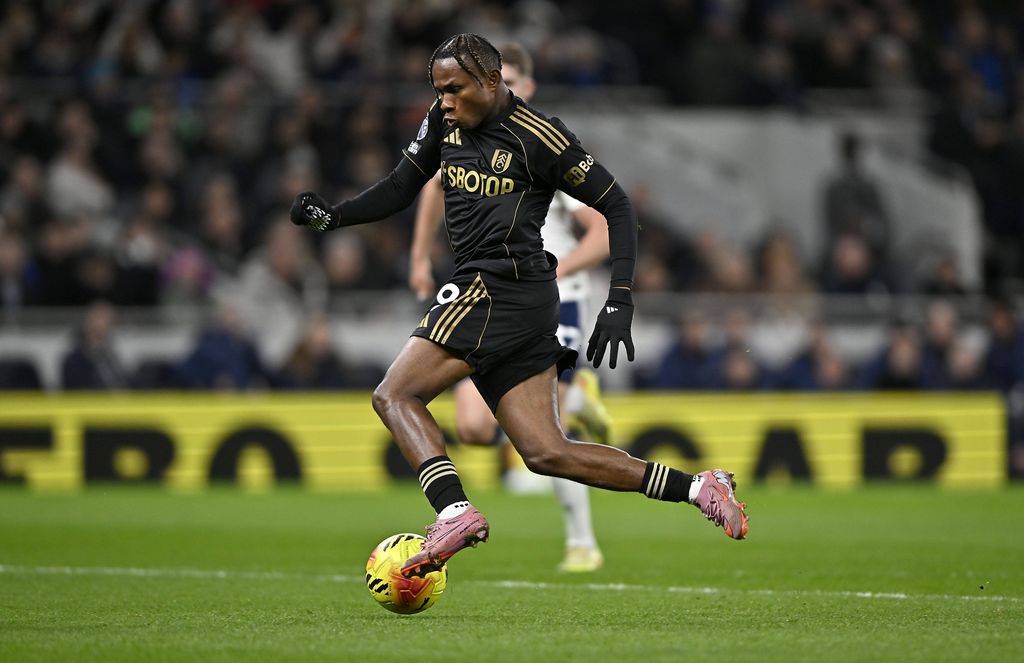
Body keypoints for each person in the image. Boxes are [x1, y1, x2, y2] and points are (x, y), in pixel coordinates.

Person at [290, 34, 748, 578]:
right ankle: (698, 486)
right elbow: (399, 187)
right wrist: (334, 217)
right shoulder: (444, 122)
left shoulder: (541, 137)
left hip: (496, 286)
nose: (444, 102)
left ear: (491, 81)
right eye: (438, 90)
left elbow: (618, 205)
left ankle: (455, 511)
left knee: (394, 394)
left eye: (454, 89)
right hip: (521, 301)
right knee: (548, 453)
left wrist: (619, 298)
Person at [408, 42, 612, 573]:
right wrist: (418, 257)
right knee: (476, 429)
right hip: (489, 294)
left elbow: (605, 227)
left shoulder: (543, 147)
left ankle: (582, 541)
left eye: (516, 80)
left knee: (550, 441)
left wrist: (560, 269)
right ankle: (561, 416)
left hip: (549, 298)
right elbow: (429, 186)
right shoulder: (467, 143)